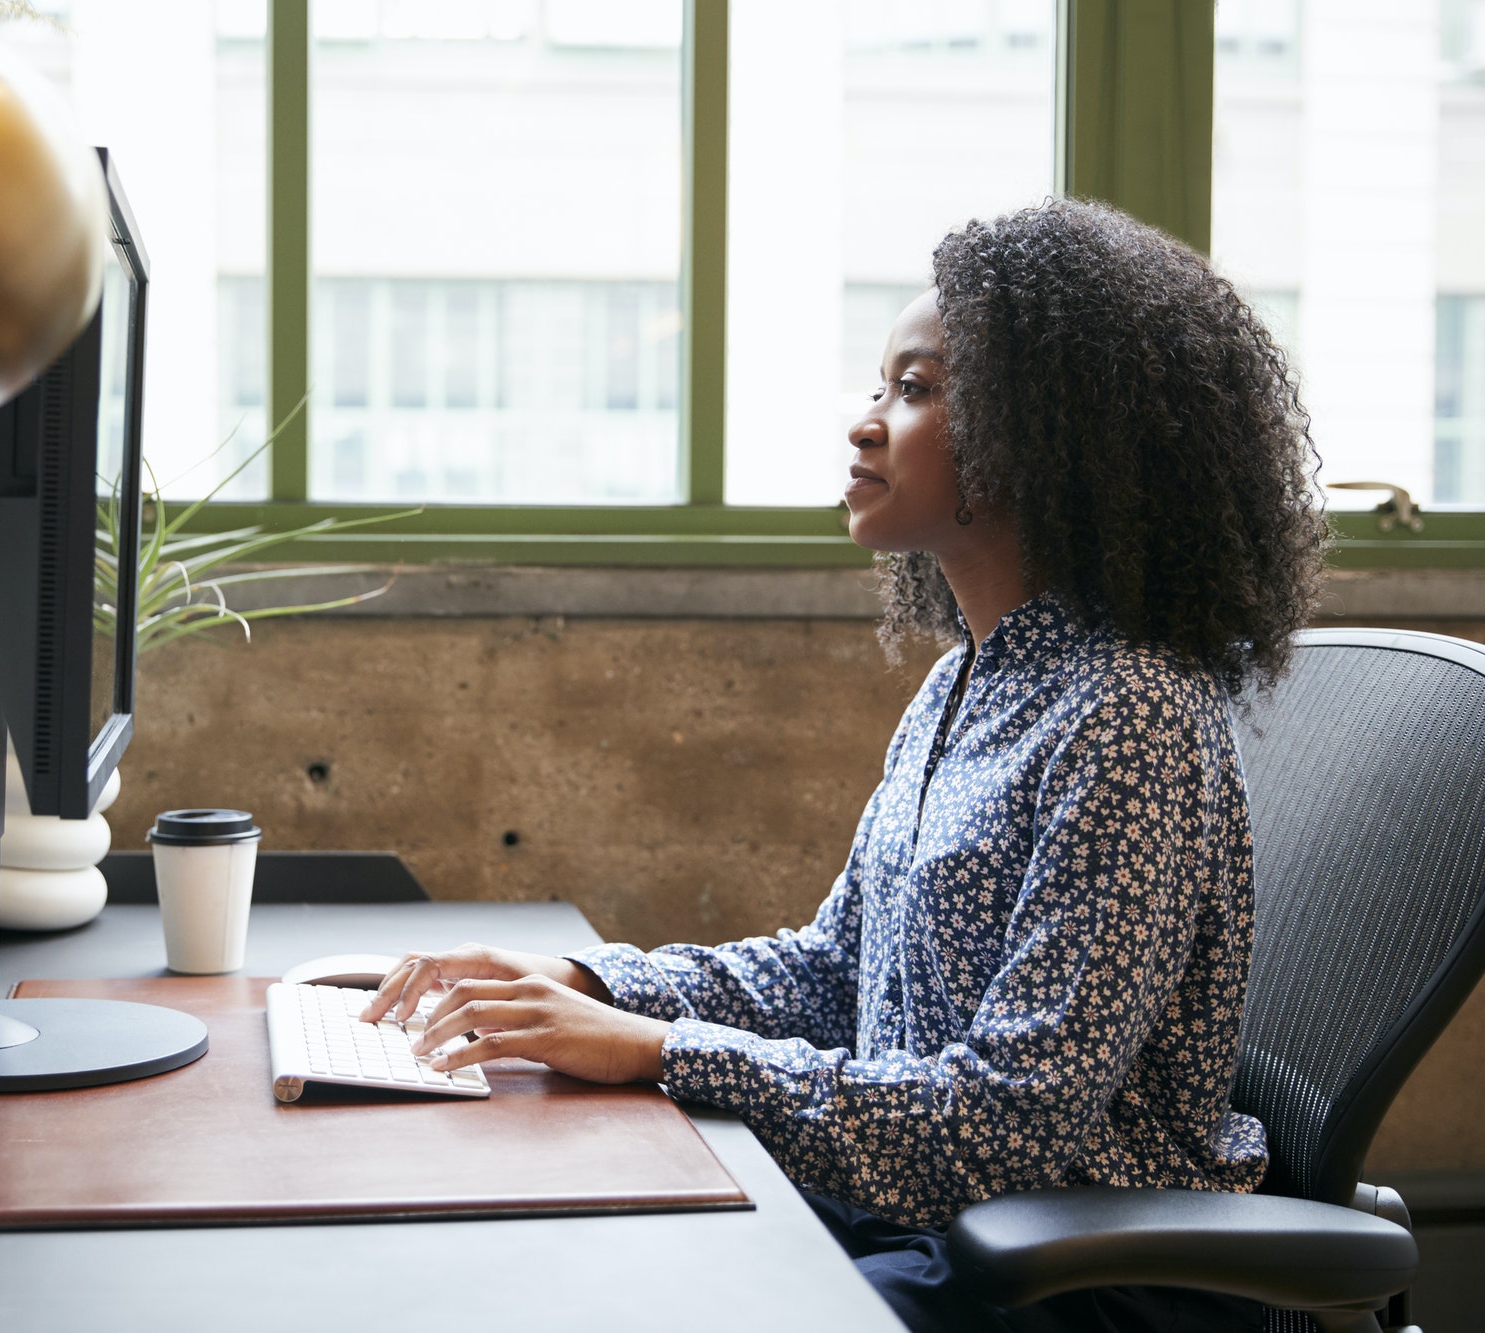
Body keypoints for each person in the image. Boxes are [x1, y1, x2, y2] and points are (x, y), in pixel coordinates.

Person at [360, 199, 1329, 1333]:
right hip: (929, 1221)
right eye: (878, 386)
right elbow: (833, 973)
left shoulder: (1129, 714)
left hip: (1077, 1274)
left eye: (915, 390)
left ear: (1052, 439)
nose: (866, 424)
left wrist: (662, 1053)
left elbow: (1011, 1119)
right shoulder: (963, 684)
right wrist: (588, 986)